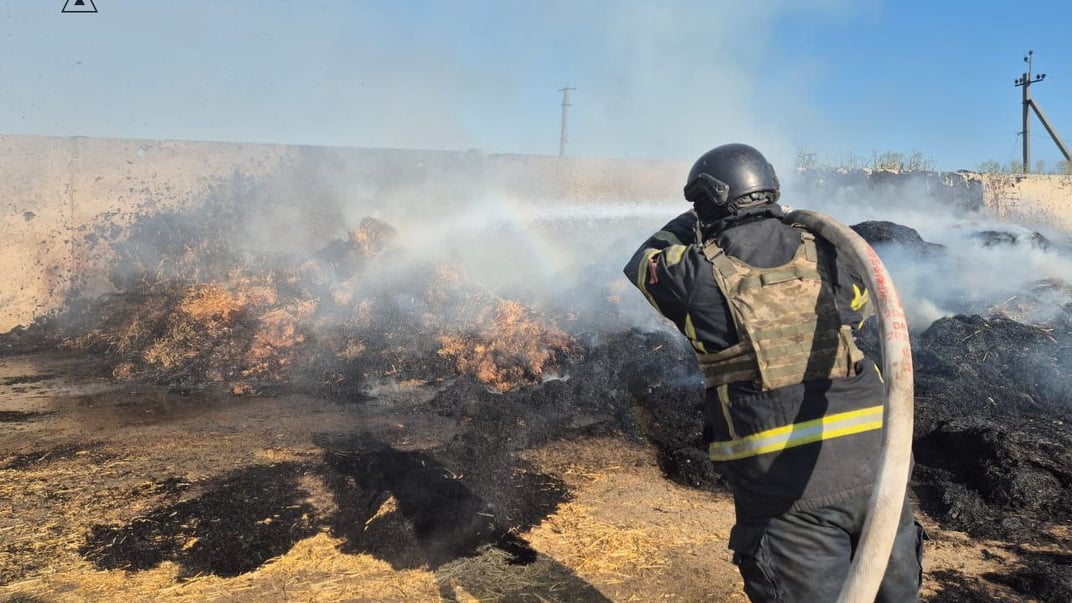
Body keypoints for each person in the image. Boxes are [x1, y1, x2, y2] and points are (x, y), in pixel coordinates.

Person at [623, 143, 923, 602]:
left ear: (706, 202)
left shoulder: (697, 274)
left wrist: (695, 222)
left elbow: (644, 262)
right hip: (879, 466)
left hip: (786, 493)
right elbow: (859, 312)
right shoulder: (832, 254)